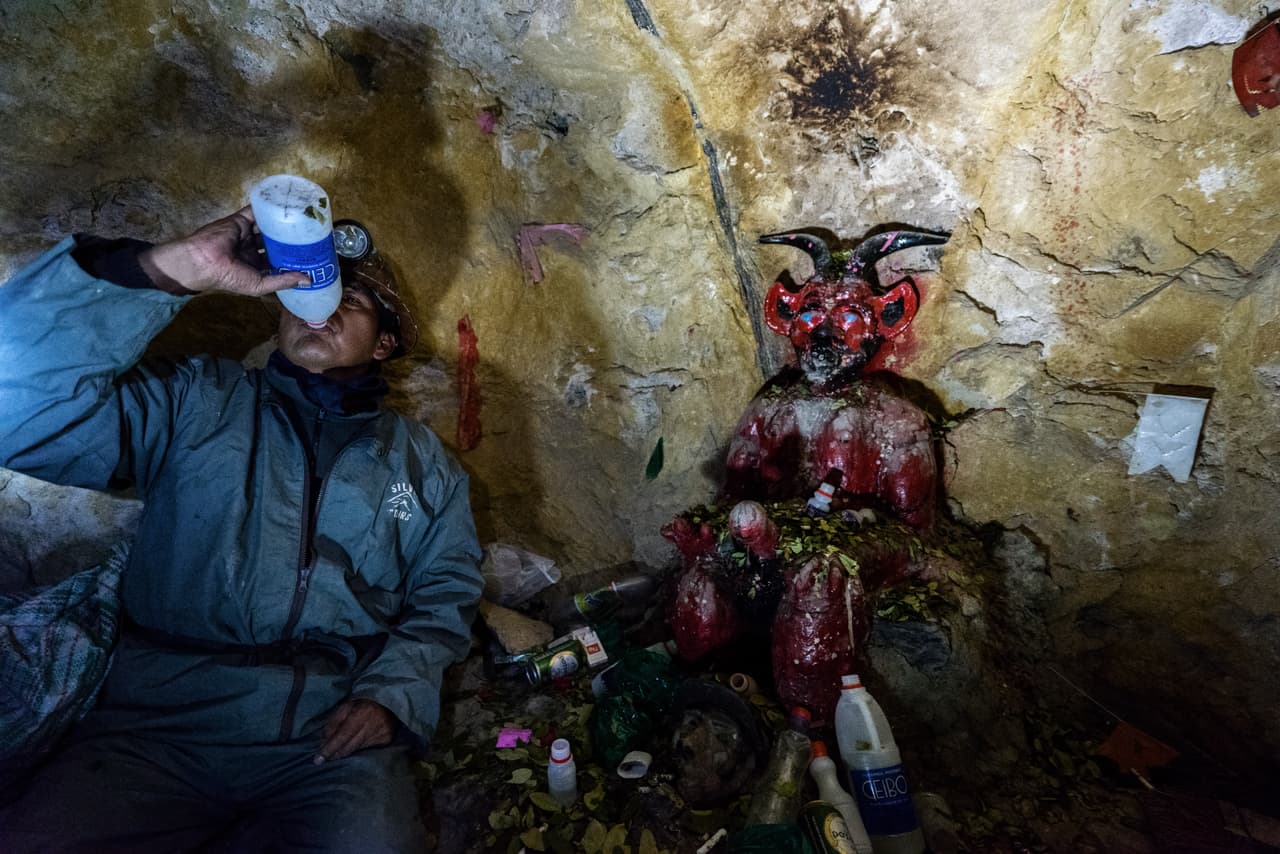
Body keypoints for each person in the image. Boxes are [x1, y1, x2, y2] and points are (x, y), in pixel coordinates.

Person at [0, 207, 484, 851]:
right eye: (310, 288)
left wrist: (394, 697)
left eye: (353, 297)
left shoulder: (423, 466)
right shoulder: (195, 402)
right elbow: (17, 410)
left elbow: (444, 594)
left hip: (325, 737)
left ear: (385, 343)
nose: (323, 306)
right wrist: (176, 268)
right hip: (156, 728)